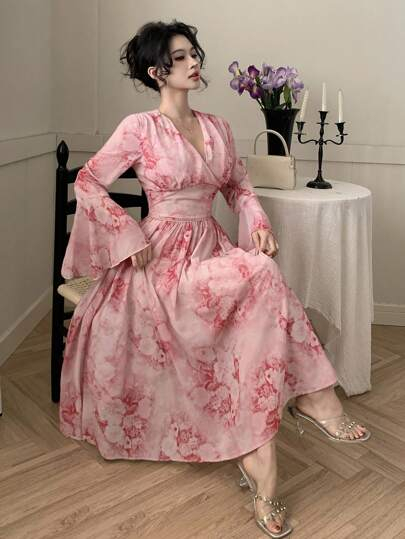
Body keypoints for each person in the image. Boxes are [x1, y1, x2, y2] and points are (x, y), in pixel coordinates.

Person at [59, 19, 371, 538]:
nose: (194, 62)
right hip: (161, 261)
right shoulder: (140, 127)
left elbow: (240, 189)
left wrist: (259, 223)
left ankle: (263, 460)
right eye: (180, 57)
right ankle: (311, 401)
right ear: (157, 72)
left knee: (258, 297)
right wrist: (126, 235)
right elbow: (88, 180)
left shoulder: (219, 127)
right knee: (262, 278)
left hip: (210, 248)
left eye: (194, 53)